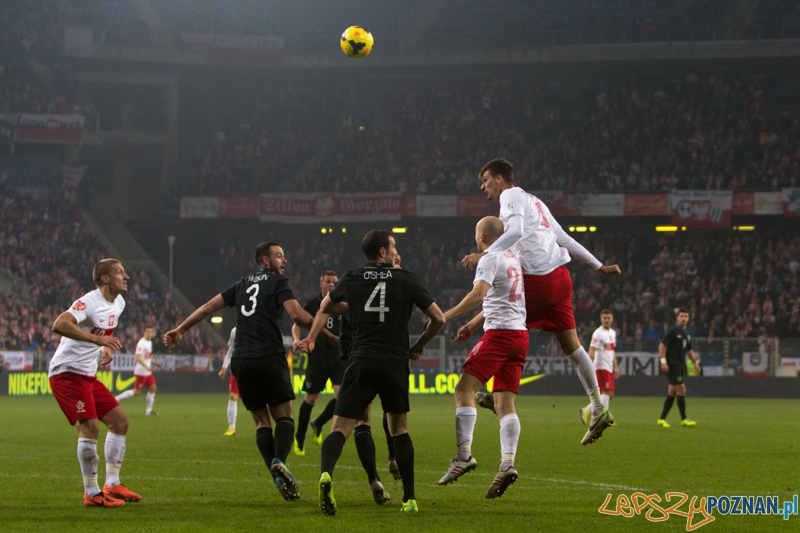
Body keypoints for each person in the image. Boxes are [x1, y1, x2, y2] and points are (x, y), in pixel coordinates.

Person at [462, 158, 621, 445]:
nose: (483, 187)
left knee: (504, 328)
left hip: (537, 280)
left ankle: (496, 396)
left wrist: (483, 255)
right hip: (560, 277)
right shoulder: (535, 201)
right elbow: (564, 239)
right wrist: (599, 266)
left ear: (500, 178)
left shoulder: (509, 196)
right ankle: (598, 407)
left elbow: (515, 232)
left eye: (485, 180)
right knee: (573, 347)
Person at [163, 241, 330, 501]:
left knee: (261, 422)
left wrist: (180, 329)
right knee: (285, 416)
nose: (283, 260)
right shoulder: (278, 282)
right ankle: (279, 461)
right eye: (278, 256)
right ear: (265, 260)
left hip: (241, 359)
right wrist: (328, 334)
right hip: (269, 356)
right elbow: (297, 315)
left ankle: (278, 478)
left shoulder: (241, 284)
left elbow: (207, 307)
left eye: (284, 255)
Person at [299, 230, 445, 516]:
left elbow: (325, 306)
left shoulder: (351, 277)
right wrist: (419, 344)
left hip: (361, 359)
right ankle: (410, 498)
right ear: (382, 252)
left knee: (340, 427)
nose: (395, 251)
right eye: (393, 246)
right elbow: (439, 318)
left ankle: (326, 475)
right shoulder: (406, 279)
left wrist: (349, 308)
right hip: (393, 362)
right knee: (399, 428)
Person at [439, 217, 529, 499]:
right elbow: (498, 299)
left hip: (500, 336)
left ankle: (464, 455)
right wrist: (472, 325)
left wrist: (446, 315)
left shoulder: (488, 258)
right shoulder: (512, 256)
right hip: (519, 336)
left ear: (481, 235)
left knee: (464, 389)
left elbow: (479, 295)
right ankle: (507, 462)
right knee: (503, 401)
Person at [48, 258, 141, 507]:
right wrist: (97, 342)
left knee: (120, 423)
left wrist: (103, 349)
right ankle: (91, 492)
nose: (126, 276)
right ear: (105, 279)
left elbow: (103, 333)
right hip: (67, 372)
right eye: (120, 272)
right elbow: (60, 324)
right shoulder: (89, 301)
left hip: (88, 374)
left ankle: (112, 484)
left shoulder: (118, 303)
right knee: (90, 428)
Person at [290, 271, 344, 456]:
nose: (331, 284)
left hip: (337, 358)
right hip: (317, 358)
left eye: (334, 282)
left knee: (342, 399)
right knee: (311, 399)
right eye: (328, 281)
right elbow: (297, 323)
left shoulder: (341, 305)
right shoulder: (312, 305)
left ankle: (318, 423)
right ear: (320, 284)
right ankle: (299, 438)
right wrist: (297, 339)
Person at [657, 307, 701, 428]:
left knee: (672, 392)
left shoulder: (686, 334)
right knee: (681, 389)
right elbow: (661, 345)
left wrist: (695, 363)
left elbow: (689, 350)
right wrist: (663, 362)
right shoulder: (673, 331)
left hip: (680, 366)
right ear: (677, 318)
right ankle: (684, 418)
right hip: (672, 365)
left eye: (685, 316)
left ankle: (662, 419)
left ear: (688, 318)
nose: (683, 318)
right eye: (681, 316)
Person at [580, 310, 619, 425]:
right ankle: (591, 413)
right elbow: (591, 351)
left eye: (609, 317)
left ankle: (597, 415)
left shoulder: (613, 333)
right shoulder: (598, 333)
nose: (607, 320)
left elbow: (612, 351)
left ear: (612, 319)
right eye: (604, 317)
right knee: (606, 393)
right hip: (601, 367)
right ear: (601, 319)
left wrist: (616, 367)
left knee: (608, 394)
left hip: (609, 367)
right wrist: (587, 367)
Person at [115, 326, 163, 415]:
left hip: (147, 372)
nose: (149, 333)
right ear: (144, 332)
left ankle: (148, 410)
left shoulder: (149, 342)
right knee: (136, 392)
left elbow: (147, 357)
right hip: (141, 371)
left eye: (150, 332)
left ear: (152, 333)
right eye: (147, 332)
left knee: (152, 388)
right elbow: (137, 357)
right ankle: (116, 399)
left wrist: (156, 363)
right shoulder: (142, 343)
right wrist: (146, 367)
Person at [218, 326, 239, 436]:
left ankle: (265, 427)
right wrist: (224, 367)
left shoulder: (256, 326)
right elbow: (231, 349)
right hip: (236, 368)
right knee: (232, 396)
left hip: (252, 368)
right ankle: (231, 427)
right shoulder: (234, 330)